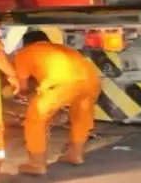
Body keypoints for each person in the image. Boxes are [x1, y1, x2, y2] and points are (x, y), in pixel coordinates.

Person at [12, 30, 101, 176]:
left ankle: (37, 164)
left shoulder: (26, 52)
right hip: (91, 82)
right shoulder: (64, 49)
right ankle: (75, 155)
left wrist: (22, 95)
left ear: (26, 43)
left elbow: (23, 86)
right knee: (81, 118)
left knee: (35, 121)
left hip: (59, 85)